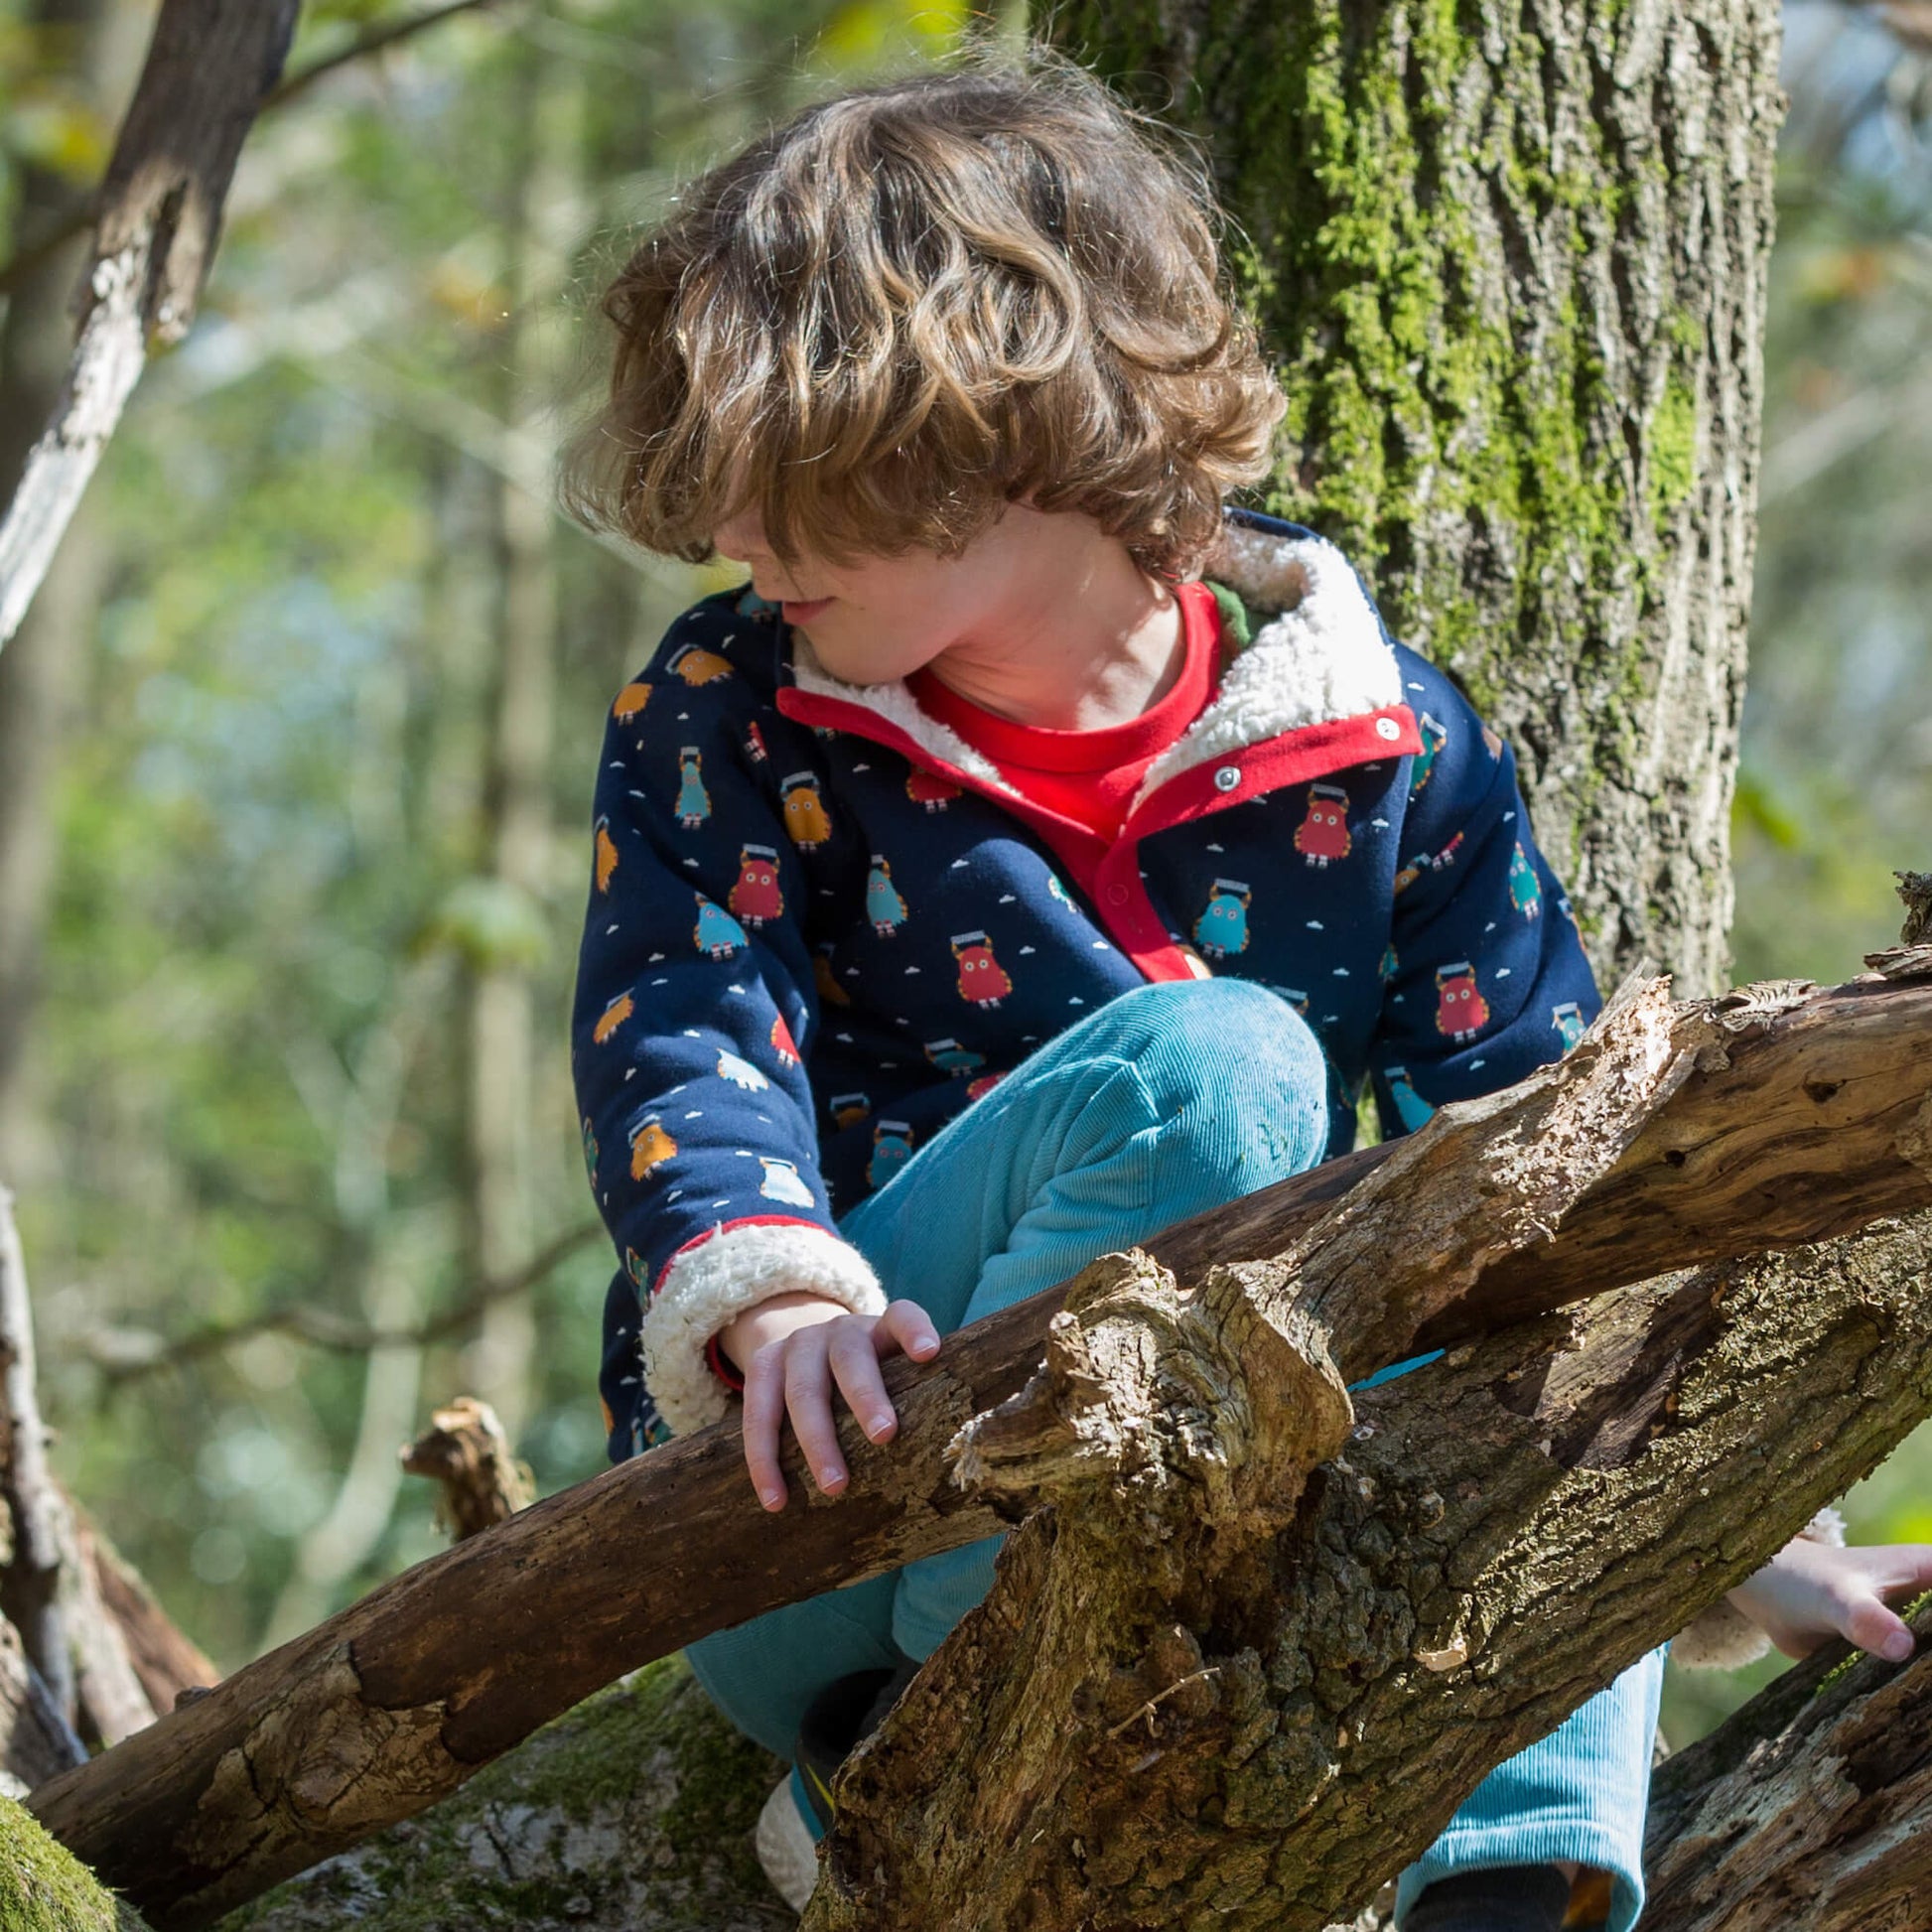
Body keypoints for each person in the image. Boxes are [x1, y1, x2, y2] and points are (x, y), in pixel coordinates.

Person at [563, 50, 1932, 1930]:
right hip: (815, 1487)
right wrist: (767, 1297)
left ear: (988, 422)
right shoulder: (731, 704)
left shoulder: (1381, 745)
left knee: (1517, 1255)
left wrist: (1726, 1530)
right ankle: (924, 1747)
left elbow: (1555, 1161)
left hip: (1213, 1509)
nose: (730, 535)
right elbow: (680, 1025)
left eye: (781, 474)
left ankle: (1503, 1884)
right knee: (1219, 1069)